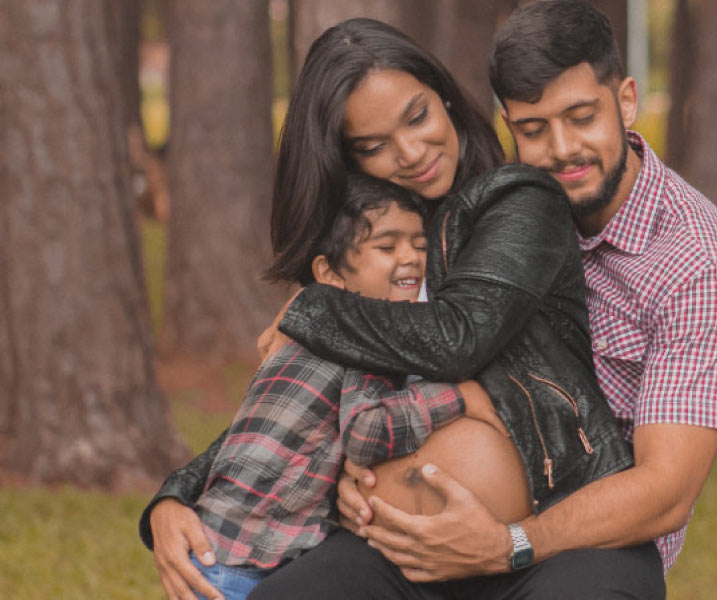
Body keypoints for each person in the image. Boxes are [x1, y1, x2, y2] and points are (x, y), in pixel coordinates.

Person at [141, 13, 659, 600]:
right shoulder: (371, 257)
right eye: (374, 146)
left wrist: (313, 309)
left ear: (443, 96)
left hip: (550, 533)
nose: (411, 153)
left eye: (417, 117)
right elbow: (294, 401)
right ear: (349, 159)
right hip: (395, 551)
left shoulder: (518, 200)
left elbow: (461, 335)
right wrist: (178, 494)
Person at [180, 174, 507, 599]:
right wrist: (461, 398)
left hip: (222, 546)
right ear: (329, 273)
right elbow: (366, 432)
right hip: (244, 562)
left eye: (420, 245)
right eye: (387, 247)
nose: (410, 258)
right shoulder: (360, 335)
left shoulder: (306, 332)